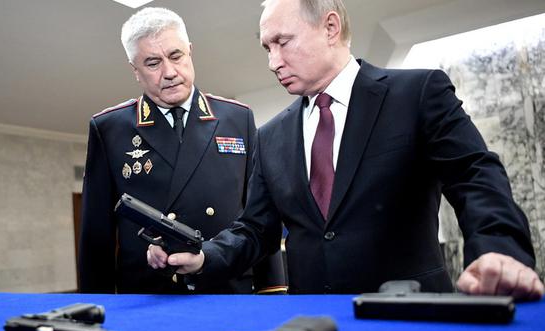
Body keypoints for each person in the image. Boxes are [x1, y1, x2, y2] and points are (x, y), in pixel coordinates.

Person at [148, 0, 544, 300]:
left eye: (282, 42)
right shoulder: (270, 136)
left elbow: (475, 176)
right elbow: (255, 229)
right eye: (267, 48)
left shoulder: (417, 93)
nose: (272, 62)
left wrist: (499, 251)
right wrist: (205, 257)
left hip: (411, 318)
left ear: (330, 27)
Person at [78, 7, 286, 294]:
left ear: (190, 51)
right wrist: (96, 306)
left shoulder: (238, 118)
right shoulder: (110, 128)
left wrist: (272, 290)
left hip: (227, 290)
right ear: (135, 71)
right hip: (149, 295)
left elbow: (258, 215)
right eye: (153, 63)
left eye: (176, 56)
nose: (170, 72)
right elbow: (96, 235)